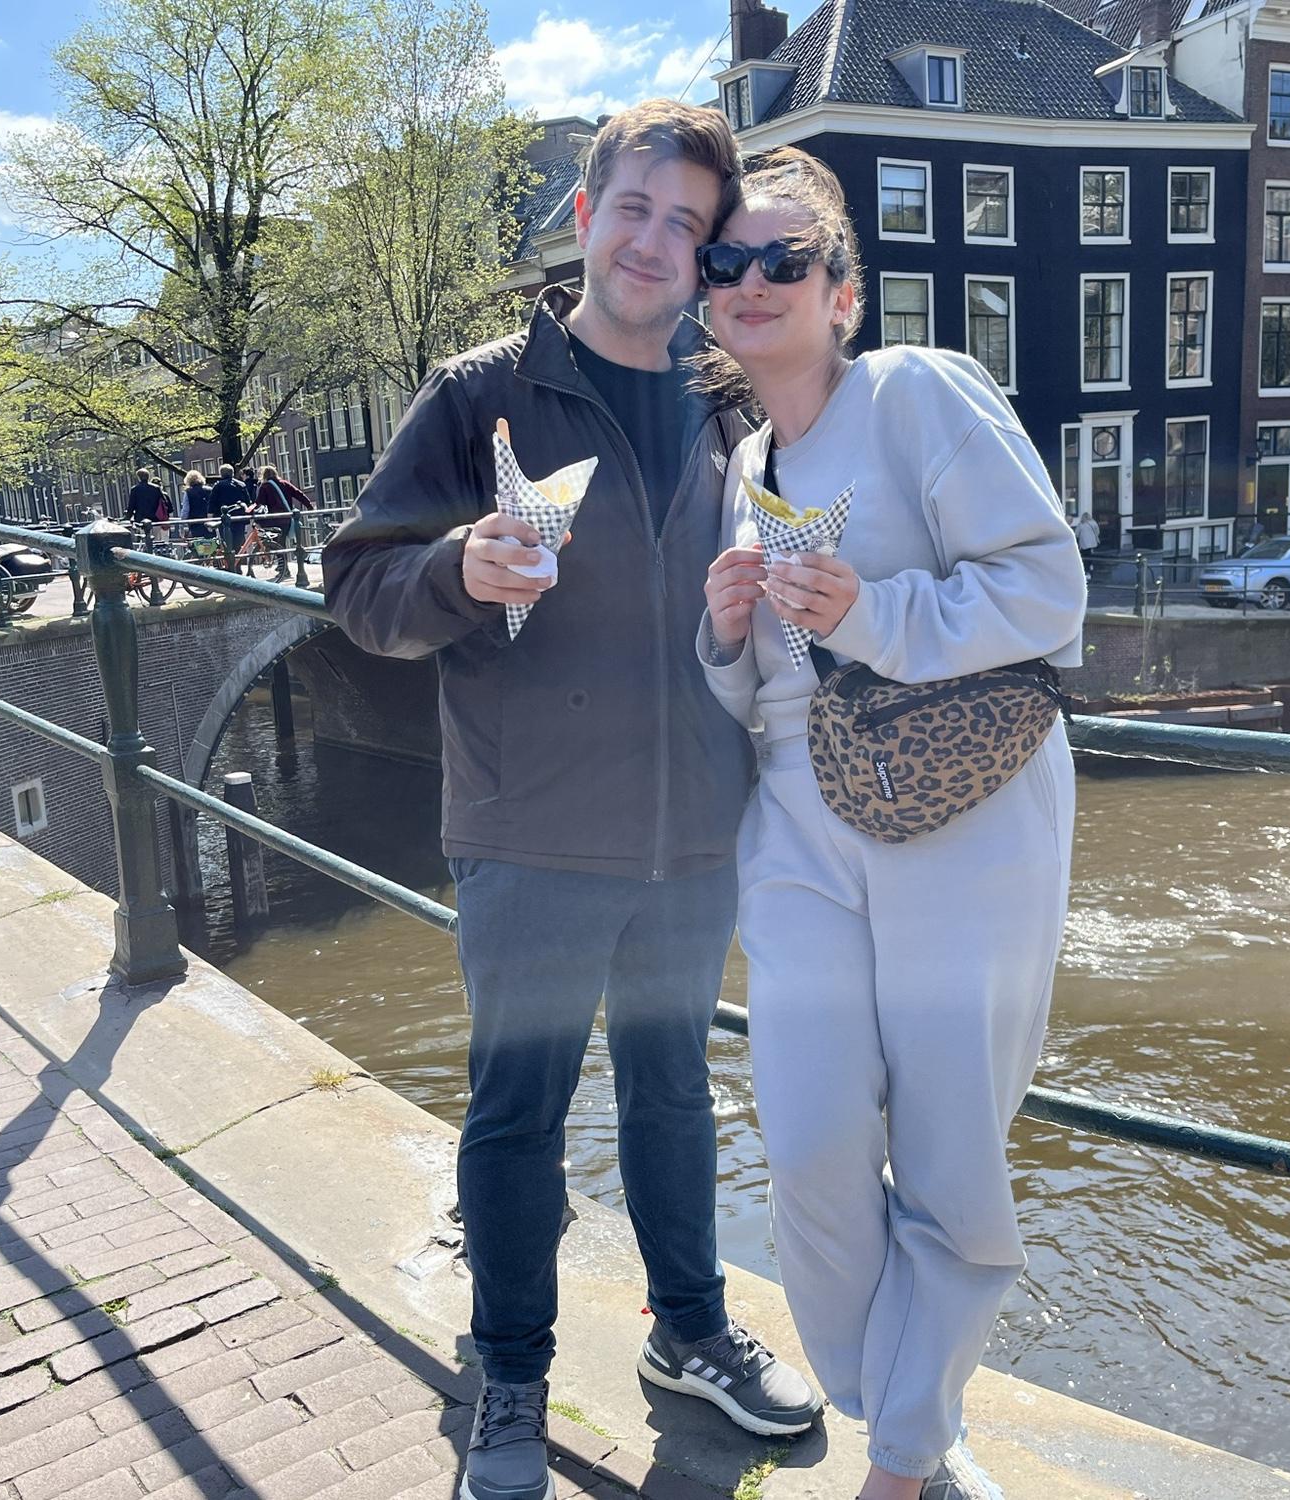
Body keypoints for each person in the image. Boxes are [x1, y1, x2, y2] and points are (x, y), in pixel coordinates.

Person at [323, 102, 821, 1500]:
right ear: (588, 211)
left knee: (674, 1097)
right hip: (531, 832)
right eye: (636, 208)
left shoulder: (735, 402)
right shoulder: (480, 394)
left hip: (690, 832)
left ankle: (690, 1332)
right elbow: (358, 587)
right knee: (515, 1116)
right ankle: (512, 1375)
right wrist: (456, 574)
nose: (656, 241)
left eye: (688, 224)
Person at [696, 150, 1083, 1500]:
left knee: (949, 1148)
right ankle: (906, 1413)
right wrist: (727, 627)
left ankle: (904, 1458)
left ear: (842, 293)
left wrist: (869, 613)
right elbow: (759, 691)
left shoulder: (918, 391)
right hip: (800, 824)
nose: (751, 282)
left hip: (965, 813)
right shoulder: (745, 458)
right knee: (804, 1141)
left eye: (783, 260)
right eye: (723, 263)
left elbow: (1049, 593)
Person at [211, 464, 251, 557]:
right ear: (232, 473)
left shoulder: (218, 486)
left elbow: (212, 502)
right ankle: (237, 565)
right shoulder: (241, 485)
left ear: (221, 474)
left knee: (226, 543)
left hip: (224, 520)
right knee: (239, 542)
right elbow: (248, 501)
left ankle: (230, 564)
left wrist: (210, 517)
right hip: (238, 519)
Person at [179, 468, 215, 540]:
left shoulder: (188, 492)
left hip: (195, 523)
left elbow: (185, 510)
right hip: (210, 522)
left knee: (199, 545)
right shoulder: (210, 490)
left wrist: (182, 523)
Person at [1073, 511, 1100, 577]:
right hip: (1092, 543)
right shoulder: (1094, 523)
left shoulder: (1081, 524)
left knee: (1085, 557)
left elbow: (1076, 534)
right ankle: (1091, 565)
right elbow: (1098, 532)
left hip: (1084, 544)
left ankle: (1087, 571)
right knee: (1090, 555)